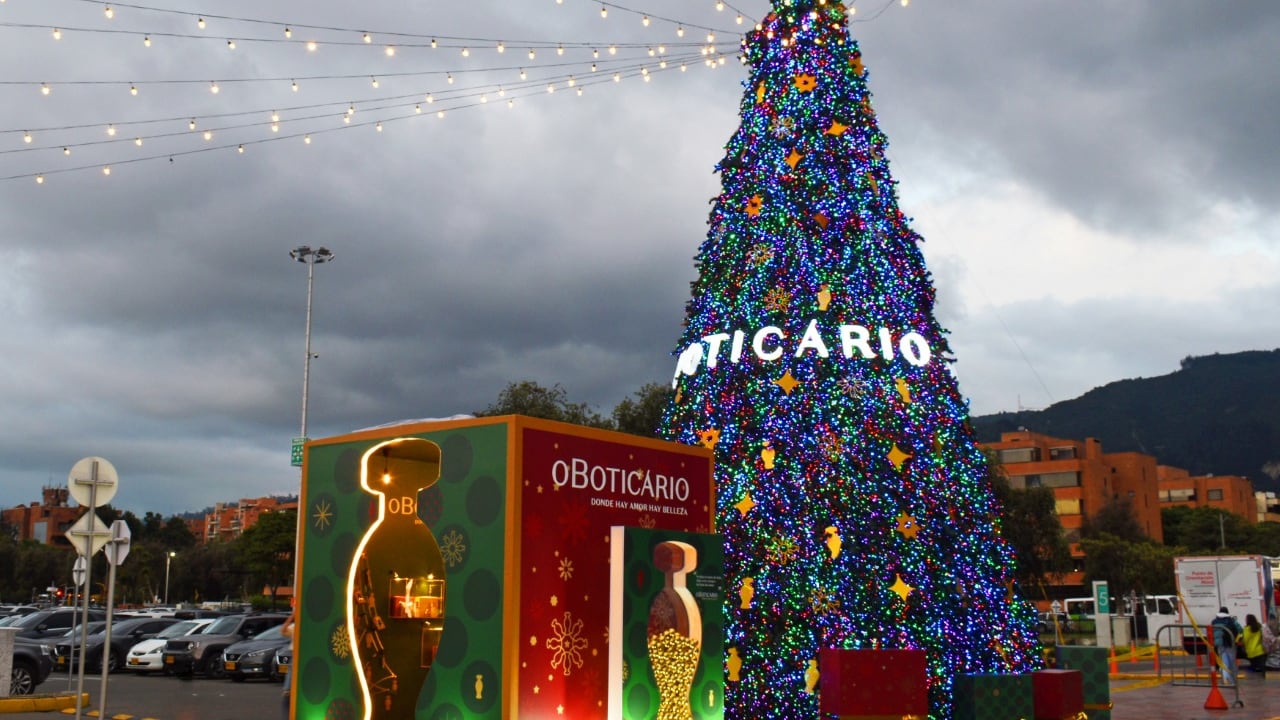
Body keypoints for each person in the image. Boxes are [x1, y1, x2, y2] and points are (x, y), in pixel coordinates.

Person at [1211, 607, 1243, 684]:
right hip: (1230, 644)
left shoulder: (1214, 621)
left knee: (1224, 662)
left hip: (1219, 645)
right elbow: (1240, 629)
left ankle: (1225, 678)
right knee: (1232, 662)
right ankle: (1232, 680)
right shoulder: (1231, 621)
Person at [280, 609, 296, 720]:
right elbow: (283, 631)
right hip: (294, 653)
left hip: (296, 653)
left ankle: (287, 689)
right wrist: (291, 617)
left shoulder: (297, 626)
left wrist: (292, 617)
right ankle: (287, 689)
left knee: (291, 669)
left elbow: (283, 631)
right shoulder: (296, 626)